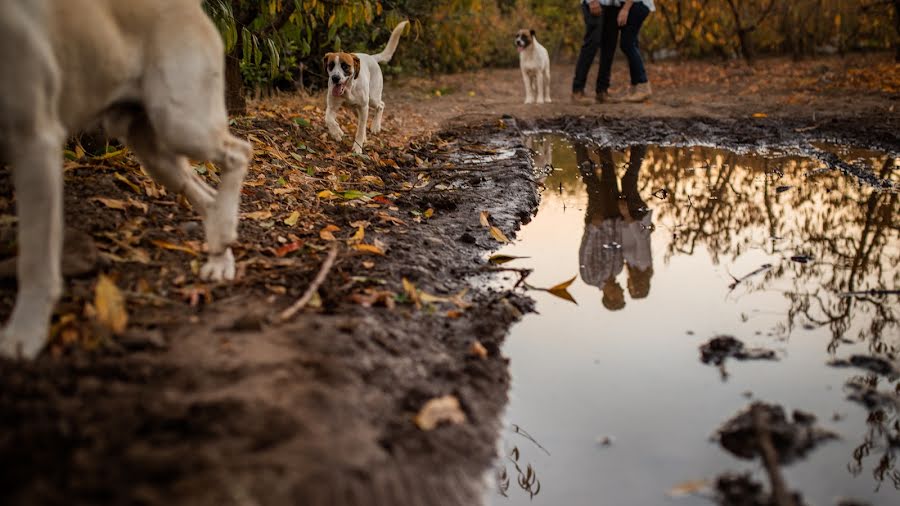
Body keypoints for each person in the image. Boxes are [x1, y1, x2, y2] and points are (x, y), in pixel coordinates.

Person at [577, 144, 653, 311]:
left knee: (592, 183)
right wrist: (624, 218)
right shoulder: (618, 270)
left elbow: (585, 252)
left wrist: (592, 229)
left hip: (597, 222)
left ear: (610, 297)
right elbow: (620, 243)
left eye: (621, 295)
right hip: (614, 218)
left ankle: (579, 143)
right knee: (609, 176)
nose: (622, 291)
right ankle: (604, 144)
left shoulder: (590, 278)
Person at [598, 0, 654, 102]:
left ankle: (643, 85)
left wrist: (625, 9)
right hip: (633, 5)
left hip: (636, 4)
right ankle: (636, 87)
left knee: (627, 44)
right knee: (632, 43)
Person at [571, 0, 606, 103]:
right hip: (595, 3)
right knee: (591, 44)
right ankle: (577, 90)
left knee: (609, 45)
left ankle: (602, 91)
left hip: (612, 5)